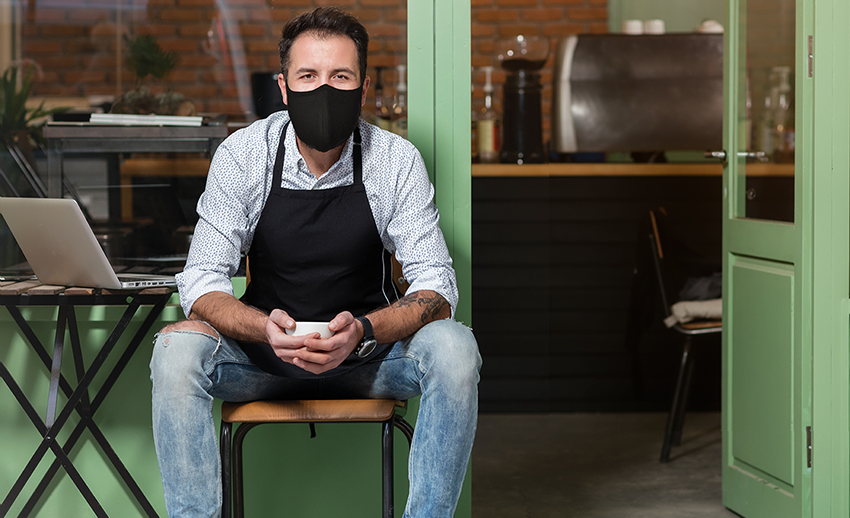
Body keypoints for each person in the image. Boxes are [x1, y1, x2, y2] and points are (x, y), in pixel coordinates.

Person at [149, 6, 481, 518]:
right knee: (175, 349)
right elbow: (201, 283)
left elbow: (437, 288)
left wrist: (365, 330)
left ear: (364, 87)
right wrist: (265, 330)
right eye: (308, 76)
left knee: (456, 347)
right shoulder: (244, 155)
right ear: (284, 87)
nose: (324, 90)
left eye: (340, 76)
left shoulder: (395, 160)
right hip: (262, 361)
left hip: (371, 360)